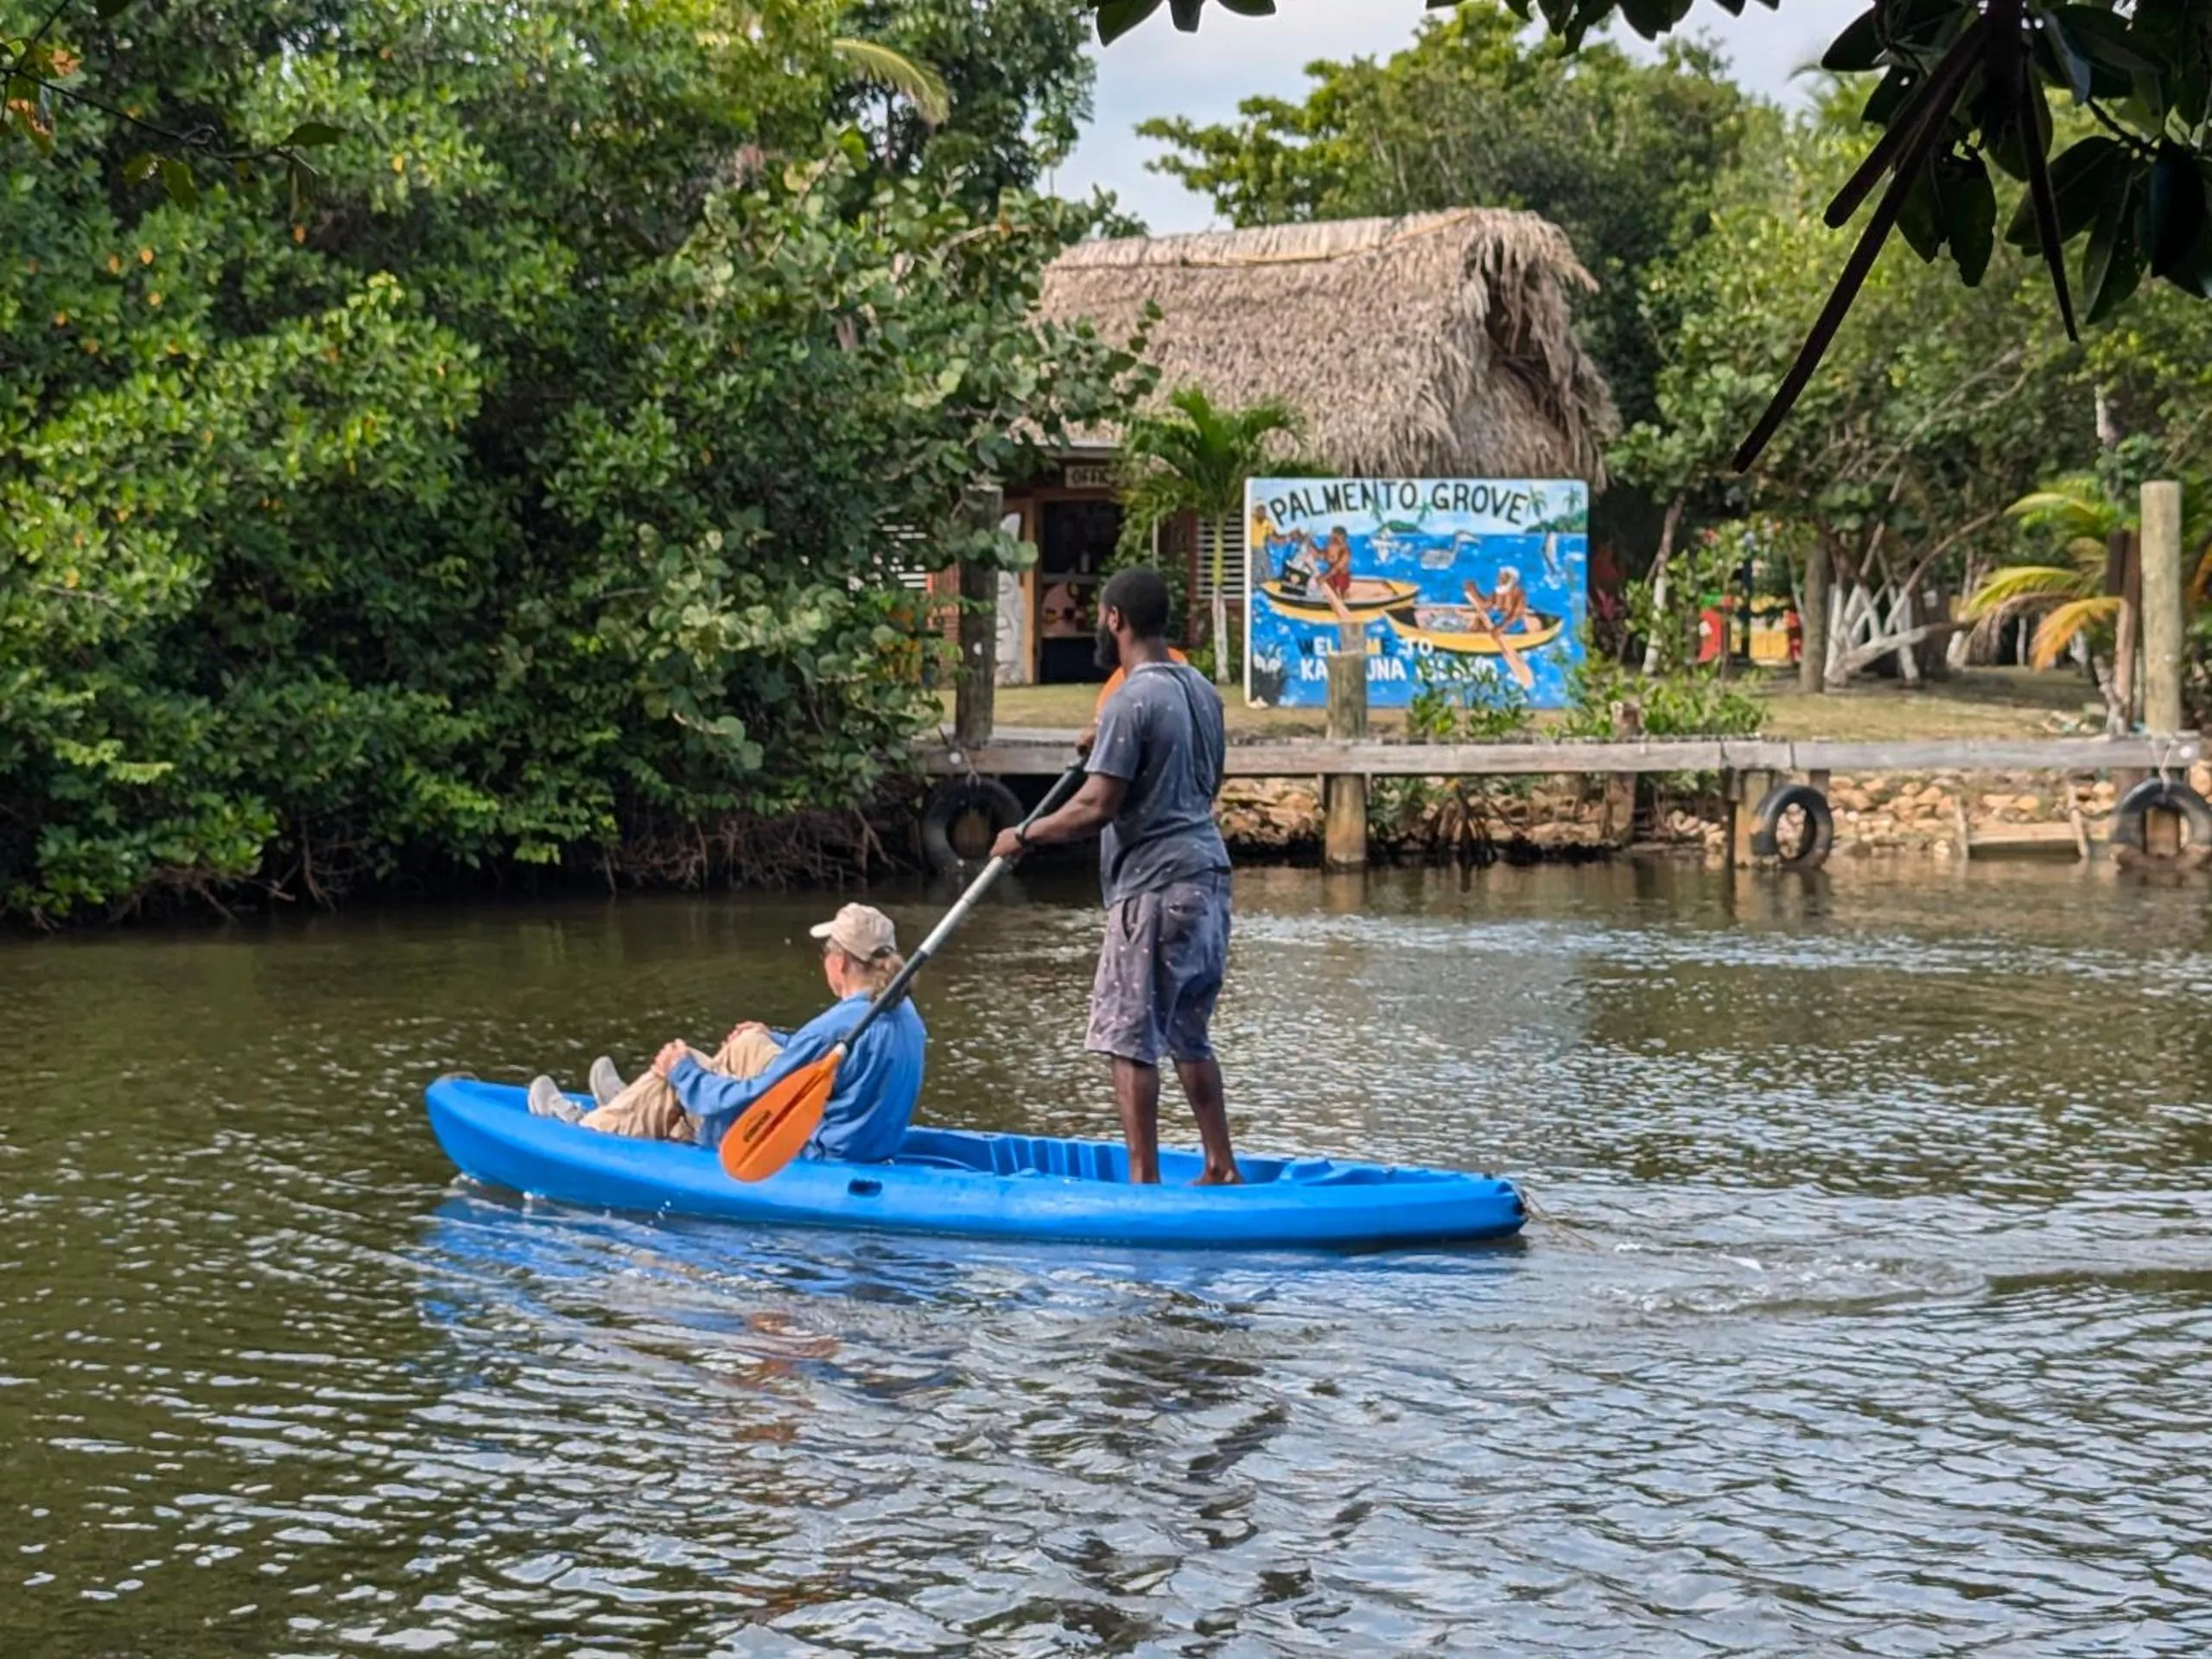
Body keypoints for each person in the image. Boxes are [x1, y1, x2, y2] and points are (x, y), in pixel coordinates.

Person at [990, 567, 1240, 1186]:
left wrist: (1024, 835)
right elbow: (1201, 777)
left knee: (1129, 1037)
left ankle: (1142, 1185)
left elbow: (1096, 807)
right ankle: (1220, 1164)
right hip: (1209, 878)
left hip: (1155, 886)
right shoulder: (1200, 689)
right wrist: (1106, 740)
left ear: (1114, 619)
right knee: (1188, 1032)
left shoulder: (1132, 698)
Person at [525, 903, 926, 1164]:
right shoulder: (903, 1013)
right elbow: (834, 1058)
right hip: (858, 1138)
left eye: (825, 954)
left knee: (675, 1073)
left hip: (814, 1150)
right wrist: (779, 1038)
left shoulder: (836, 1028)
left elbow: (756, 1098)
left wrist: (683, 1075)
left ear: (839, 962)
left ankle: (602, 1126)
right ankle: (638, 1110)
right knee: (751, 1043)